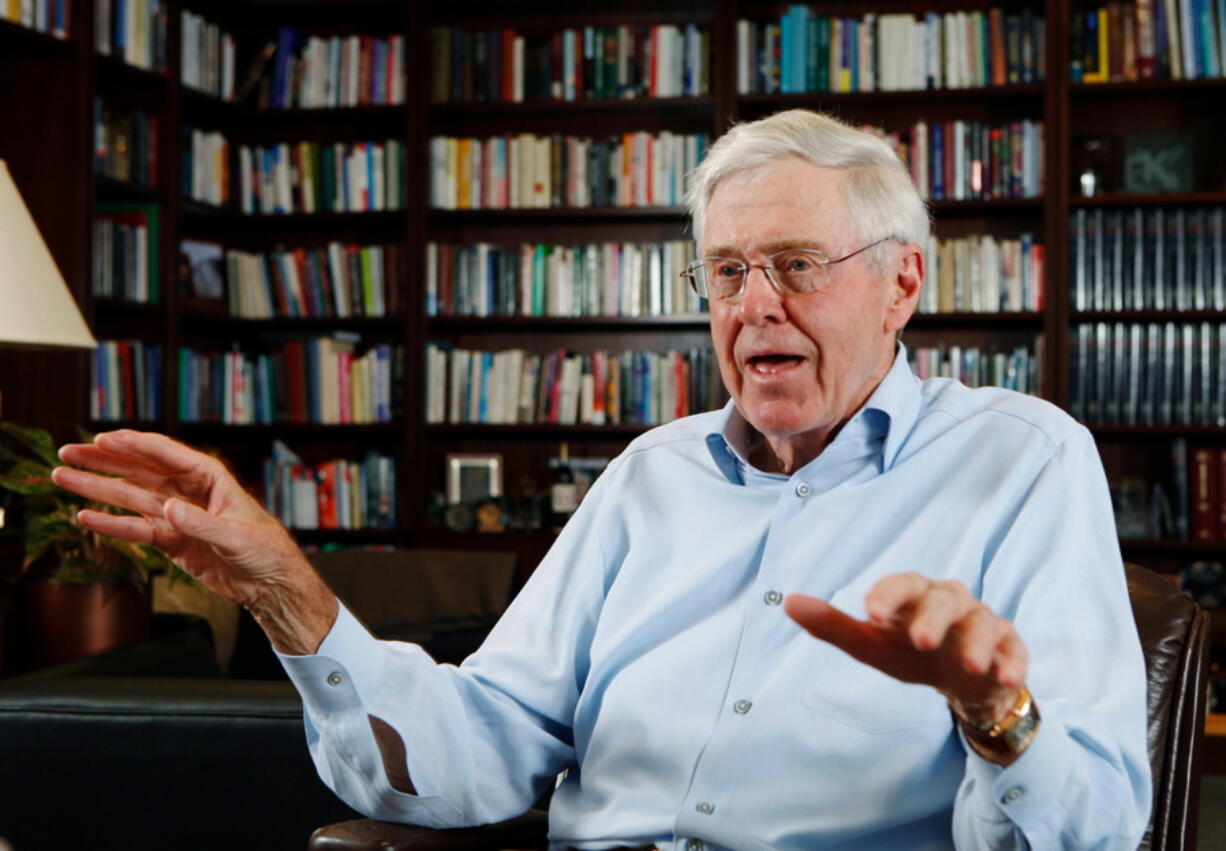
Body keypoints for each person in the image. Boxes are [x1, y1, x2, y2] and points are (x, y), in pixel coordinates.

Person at [53, 110, 1151, 850]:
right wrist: (281, 587)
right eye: (724, 271)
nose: (753, 304)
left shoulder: (1021, 458)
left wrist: (990, 709)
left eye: (796, 266)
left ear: (900, 281)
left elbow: (1096, 821)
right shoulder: (646, 477)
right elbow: (472, 748)